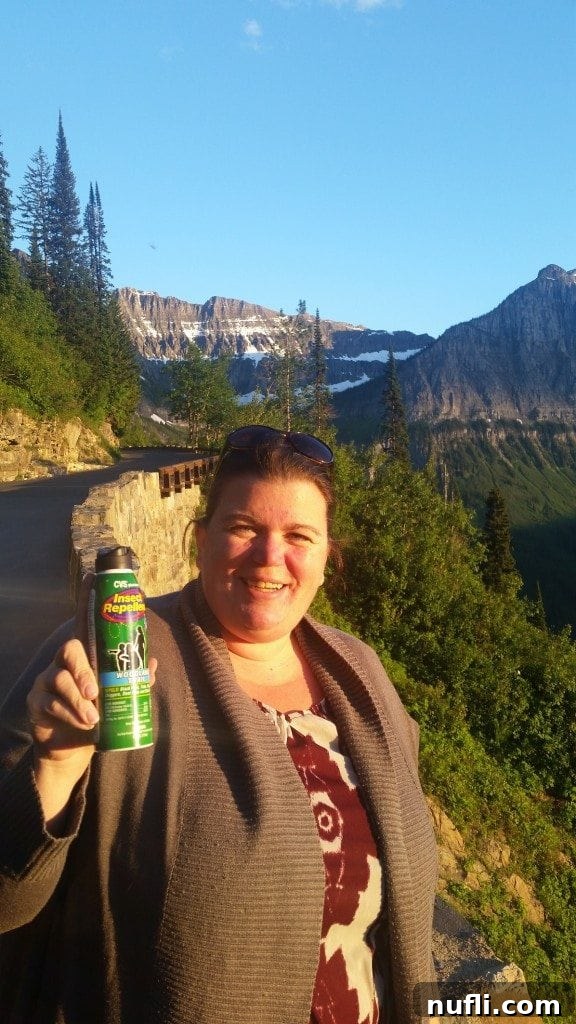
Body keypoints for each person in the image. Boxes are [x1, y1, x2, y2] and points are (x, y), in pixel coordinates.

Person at [0, 425, 438, 1024]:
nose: (269, 558)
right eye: (243, 529)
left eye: (299, 536)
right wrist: (55, 767)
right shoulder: (111, 654)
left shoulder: (360, 672)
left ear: (326, 557)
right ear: (200, 540)